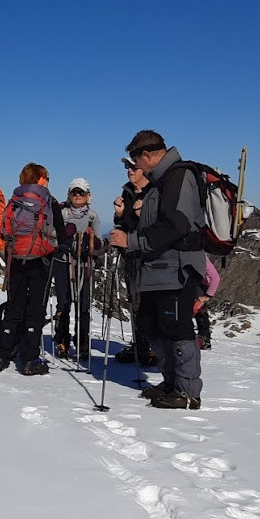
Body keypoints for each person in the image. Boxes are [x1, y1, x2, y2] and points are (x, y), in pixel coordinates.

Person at [108, 131, 209, 410]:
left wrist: (130, 241)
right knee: (153, 325)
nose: (136, 167)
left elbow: (175, 226)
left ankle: (187, 392)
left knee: (177, 327)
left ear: (149, 155)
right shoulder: (161, 181)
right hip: (156, 268)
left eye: (137, 160)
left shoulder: (178, 177)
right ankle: (171, 382)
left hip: (176, 268)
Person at [0, 163, 56, 376]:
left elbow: (3, 231)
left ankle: (1, 355)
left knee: (14, 306)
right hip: (41, 260)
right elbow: (62, 236)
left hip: (15, 260)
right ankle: (29, 359)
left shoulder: (14, 201)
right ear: (41, 179)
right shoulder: (48, 201)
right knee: (35, 309)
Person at [112, 156, 157, 367]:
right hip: (131, 257)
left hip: (151, 258)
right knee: (136, 303)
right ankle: (142, 346)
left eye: (133, 166)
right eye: (127, 167)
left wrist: (135, 214)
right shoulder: (128, 192)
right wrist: (120, 216)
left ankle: (153, 347)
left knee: (152, 303)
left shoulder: (156, 192)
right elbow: (126, 225)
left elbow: (158, 227)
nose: (129, 170)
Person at [52, 177, 102, 360]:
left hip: (85, 264)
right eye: (74, 192)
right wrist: (64, 233)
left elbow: (101, 245)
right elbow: (49, 233)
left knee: (84, 305)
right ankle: (62, 340)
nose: (78, 195)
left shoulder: (92, 216)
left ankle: (82, 342)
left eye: (81, 192)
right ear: (69, 194)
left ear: (88, 195)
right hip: (63, 263)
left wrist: (94, 243)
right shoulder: (61, 213)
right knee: (63, 303)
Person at [196, 256, 220, 349]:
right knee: (199, 311)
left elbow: (215, 278)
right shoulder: (200, 255)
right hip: (200, 285)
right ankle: (204, 339)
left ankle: (203, 338)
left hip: (200, 285)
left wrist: (207, 296)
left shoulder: (200, 256)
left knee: (198, 310)